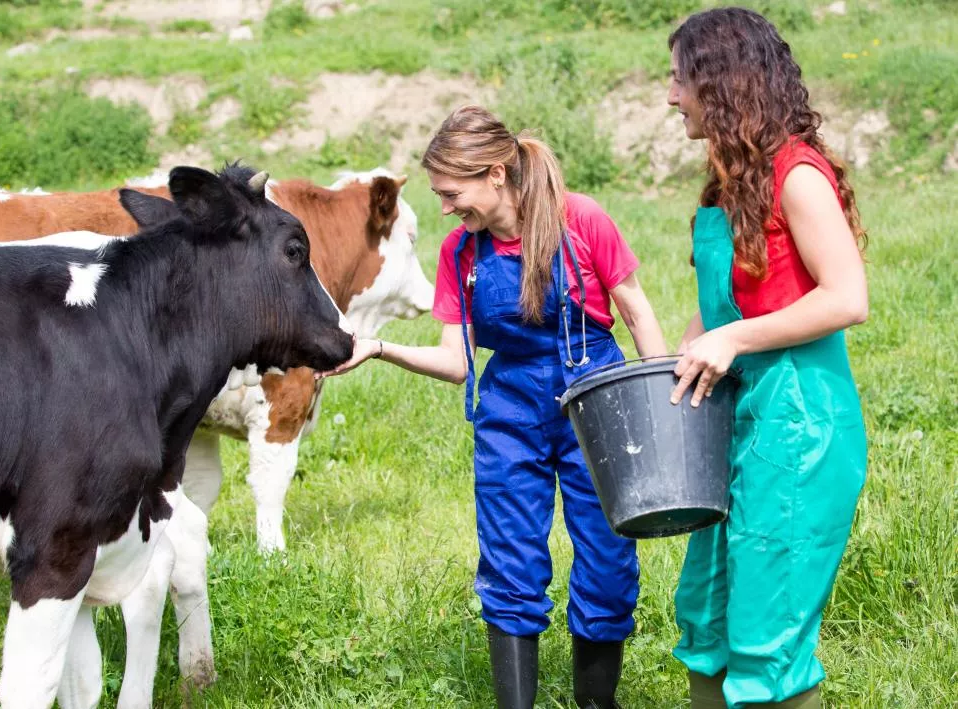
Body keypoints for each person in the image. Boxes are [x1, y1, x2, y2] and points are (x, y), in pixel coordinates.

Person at [321, 105, 667, 708]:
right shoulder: (461, 253)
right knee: (509, 561)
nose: (447, 208)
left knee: (609, 560)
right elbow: (458, 363)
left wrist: (658, 411)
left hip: (598, 402)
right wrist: (377, 348)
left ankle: (596, 702)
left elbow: (636, 311)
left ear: (496, 176)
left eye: (452, 193)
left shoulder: (579, 219)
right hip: (510, 412)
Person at [665, 8, 869, 708]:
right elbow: (721, 307)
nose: (671, 97)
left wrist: (733, 340)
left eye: (680, 80)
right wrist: (684, 351)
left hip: (798, 428)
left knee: (764, 632)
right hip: (734, 422)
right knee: (706, 616)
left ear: (720, 84)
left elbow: (848, 297)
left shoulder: (797, 176)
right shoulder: (728, 187)